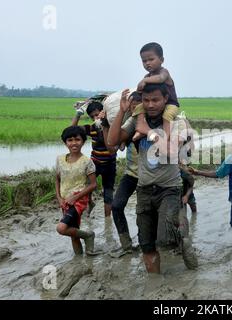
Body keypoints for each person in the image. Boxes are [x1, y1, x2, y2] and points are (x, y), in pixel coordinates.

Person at [108, 84, 198, 274]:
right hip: (144, 188)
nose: (150, 105)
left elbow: (171, 152)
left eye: (155, 100)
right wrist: (122, 112)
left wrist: (148, 131)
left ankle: (183, 239)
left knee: (164, 240)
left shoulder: (177, 122)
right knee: (147, 244)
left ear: (166, 99)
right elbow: (112, 141)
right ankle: (155, 284)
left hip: (169, 188)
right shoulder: (136, 121)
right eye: (146, 100)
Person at [105, 92, 142, 258]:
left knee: (144, 213)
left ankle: (148, 244)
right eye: (132, 105)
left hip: (151, 177)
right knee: (116, 206)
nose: (134, 108)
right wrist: (121, 111)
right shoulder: (131, 122)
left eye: (137, 104)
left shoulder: (154, 123)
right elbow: (112, 146)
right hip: (131, 174)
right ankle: (126, 245)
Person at [55, 126, 98, 255]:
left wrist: (75, 197)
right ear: (65, 142)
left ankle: (88, 235)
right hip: (65, 201)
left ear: (83, 141)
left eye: (77, 139)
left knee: (61, 228)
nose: (74, 143)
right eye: (70, 140)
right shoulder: (60, 159)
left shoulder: (87, 162)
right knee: (73, 234)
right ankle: (79, 261)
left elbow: (93, 184)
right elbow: (57, 179)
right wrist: (59, 198)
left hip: (78, 201)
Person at [72, 101, 117, 218]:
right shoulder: (92, 128)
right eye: (92, 116)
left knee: (108, 192)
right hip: (95, 162)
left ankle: (108, 219)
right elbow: (73, 129)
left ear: (103, 113)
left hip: (110, 165)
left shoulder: (111, 127)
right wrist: (78, 114)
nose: (95, 118)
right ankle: (90, 203)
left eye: (97, 115)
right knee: (87, 185)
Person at [131, 42, 180, 144]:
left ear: (161, 60)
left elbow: (160, 79)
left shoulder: (164, 72)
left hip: (170, 104)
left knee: (167, 115)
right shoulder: (147, 76)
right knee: (139, 107)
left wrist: (145, 81)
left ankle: (166, 137)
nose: (147, 63)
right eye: (144, 61)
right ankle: (140, 129)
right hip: (156, 105)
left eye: (151, 59)